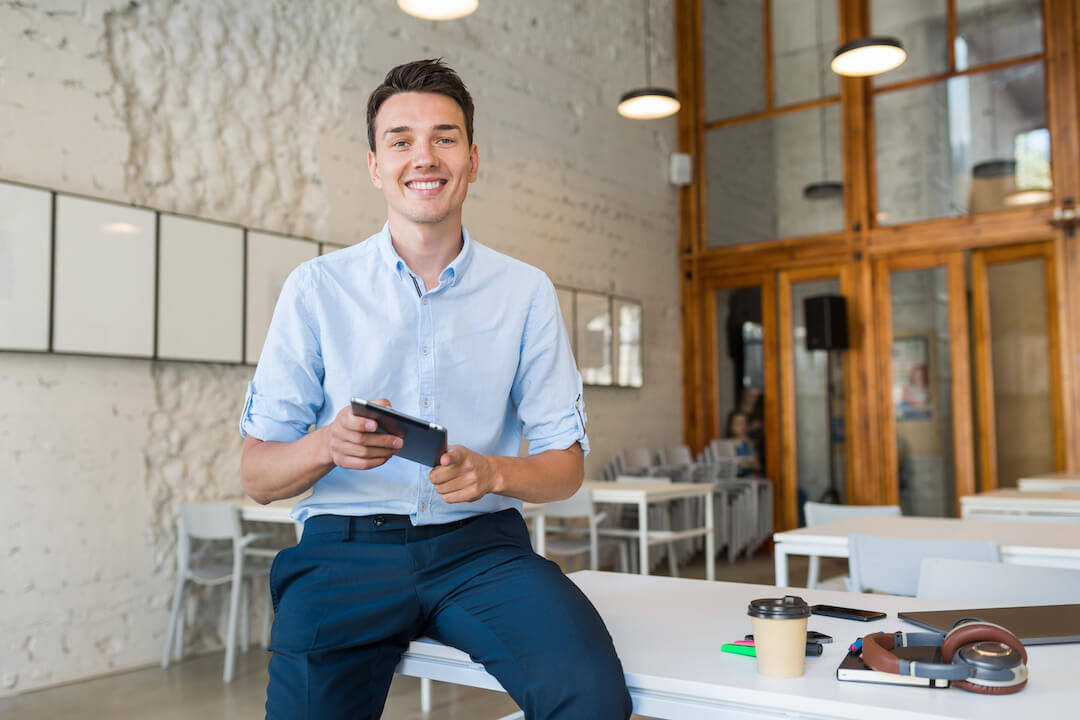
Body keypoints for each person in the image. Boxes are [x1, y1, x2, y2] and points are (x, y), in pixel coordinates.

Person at [238, 59, 632, 719]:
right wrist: (327, 446)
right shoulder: (316, 289)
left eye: (444, 138)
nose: (424, 156)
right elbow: (257, 475)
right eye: (401, 140)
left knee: (590, 698)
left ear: (473, 160)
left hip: (481, 552)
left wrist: (492, 472)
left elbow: (566, 469)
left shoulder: (525, 291)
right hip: (344, 553)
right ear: (374, 165)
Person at [725, 409, 761, 477]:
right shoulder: (727, 445)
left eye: (744, 423)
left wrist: (750, 444)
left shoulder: (749, 443)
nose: (742, 427)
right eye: (738, 424)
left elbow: (757, 466)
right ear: (731, 426)